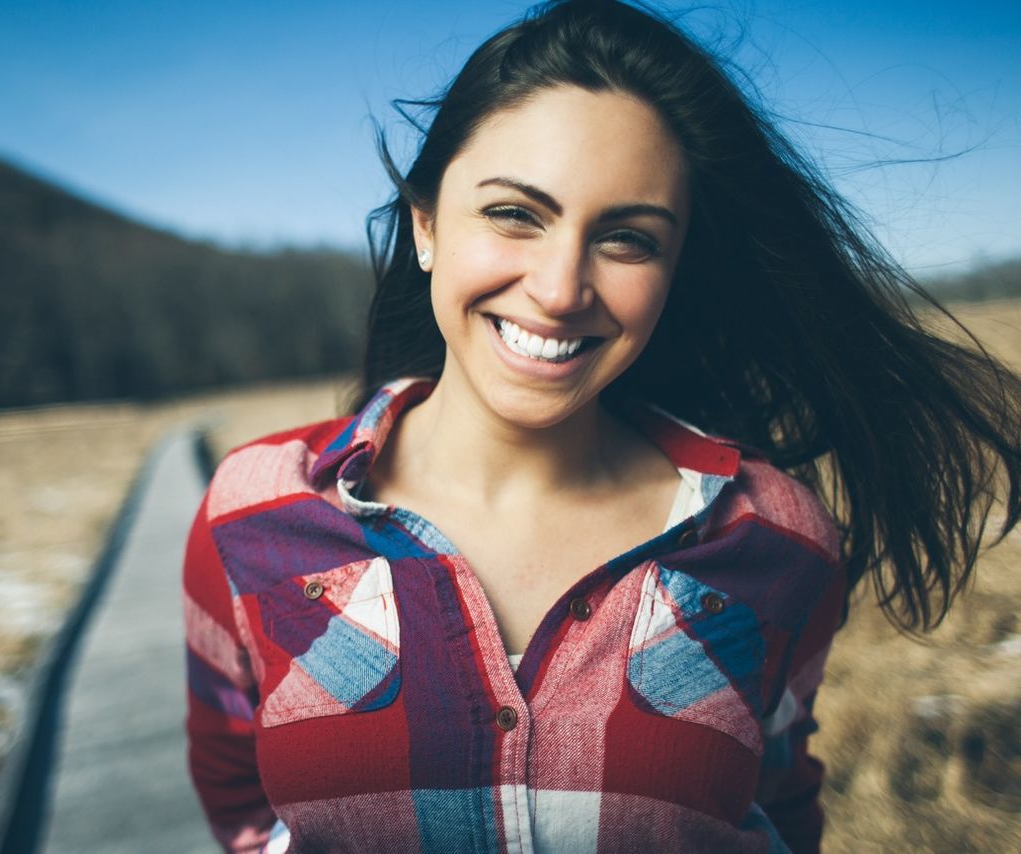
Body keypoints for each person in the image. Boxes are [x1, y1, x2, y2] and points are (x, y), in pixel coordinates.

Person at [182, 1, 1021, 851]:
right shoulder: (251, 511)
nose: (558, 289)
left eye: (626, 238)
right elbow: (246, 815)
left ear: (676, 268)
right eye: (515, 214)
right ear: (426, 224)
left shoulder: (775, 539)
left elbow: (776, 812)